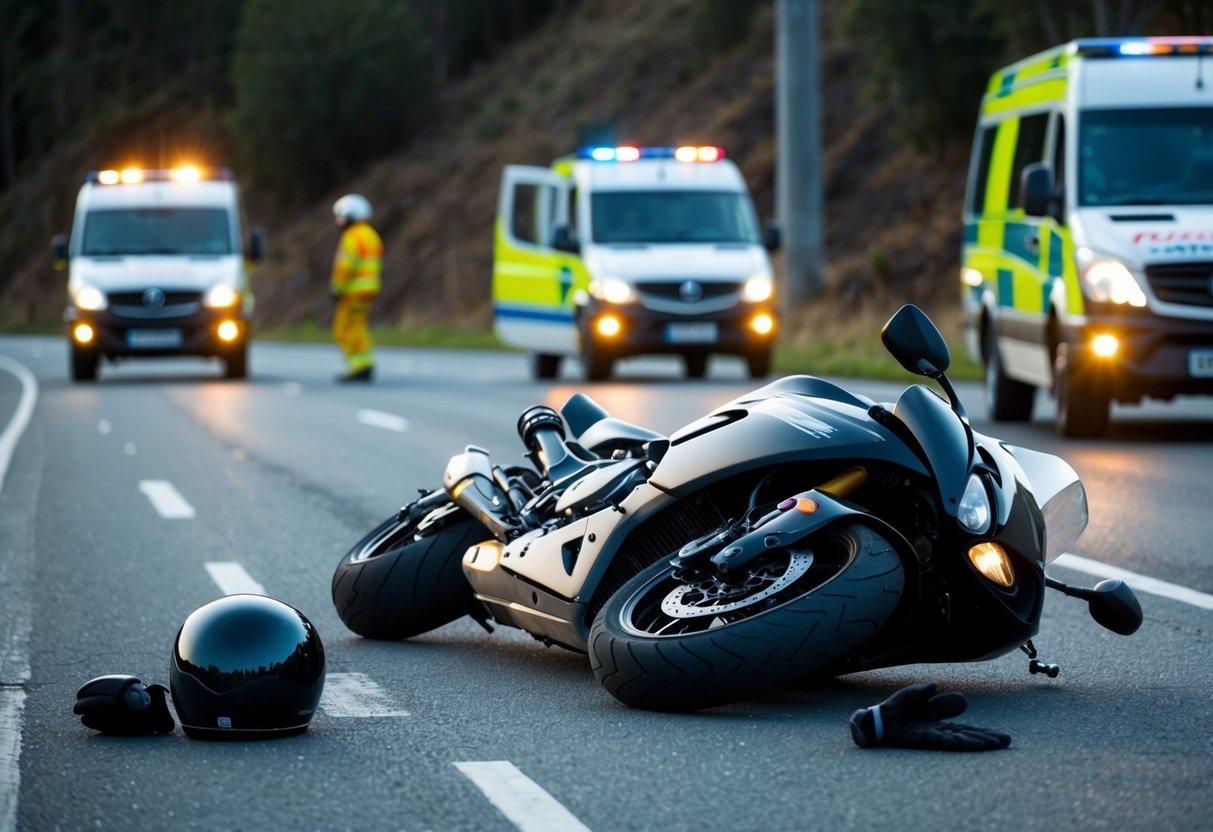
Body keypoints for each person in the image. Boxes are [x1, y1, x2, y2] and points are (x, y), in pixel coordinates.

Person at [330, 194, 382, 382]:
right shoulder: (371, 235)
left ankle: (359, 366)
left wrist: (337, 288)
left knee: (344, 329)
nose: (339, 221)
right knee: (358, 326)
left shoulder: (352, 237)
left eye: (341, 216)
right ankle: (364, 363)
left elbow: (345, 267)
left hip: (352, 291)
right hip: (369, 290)